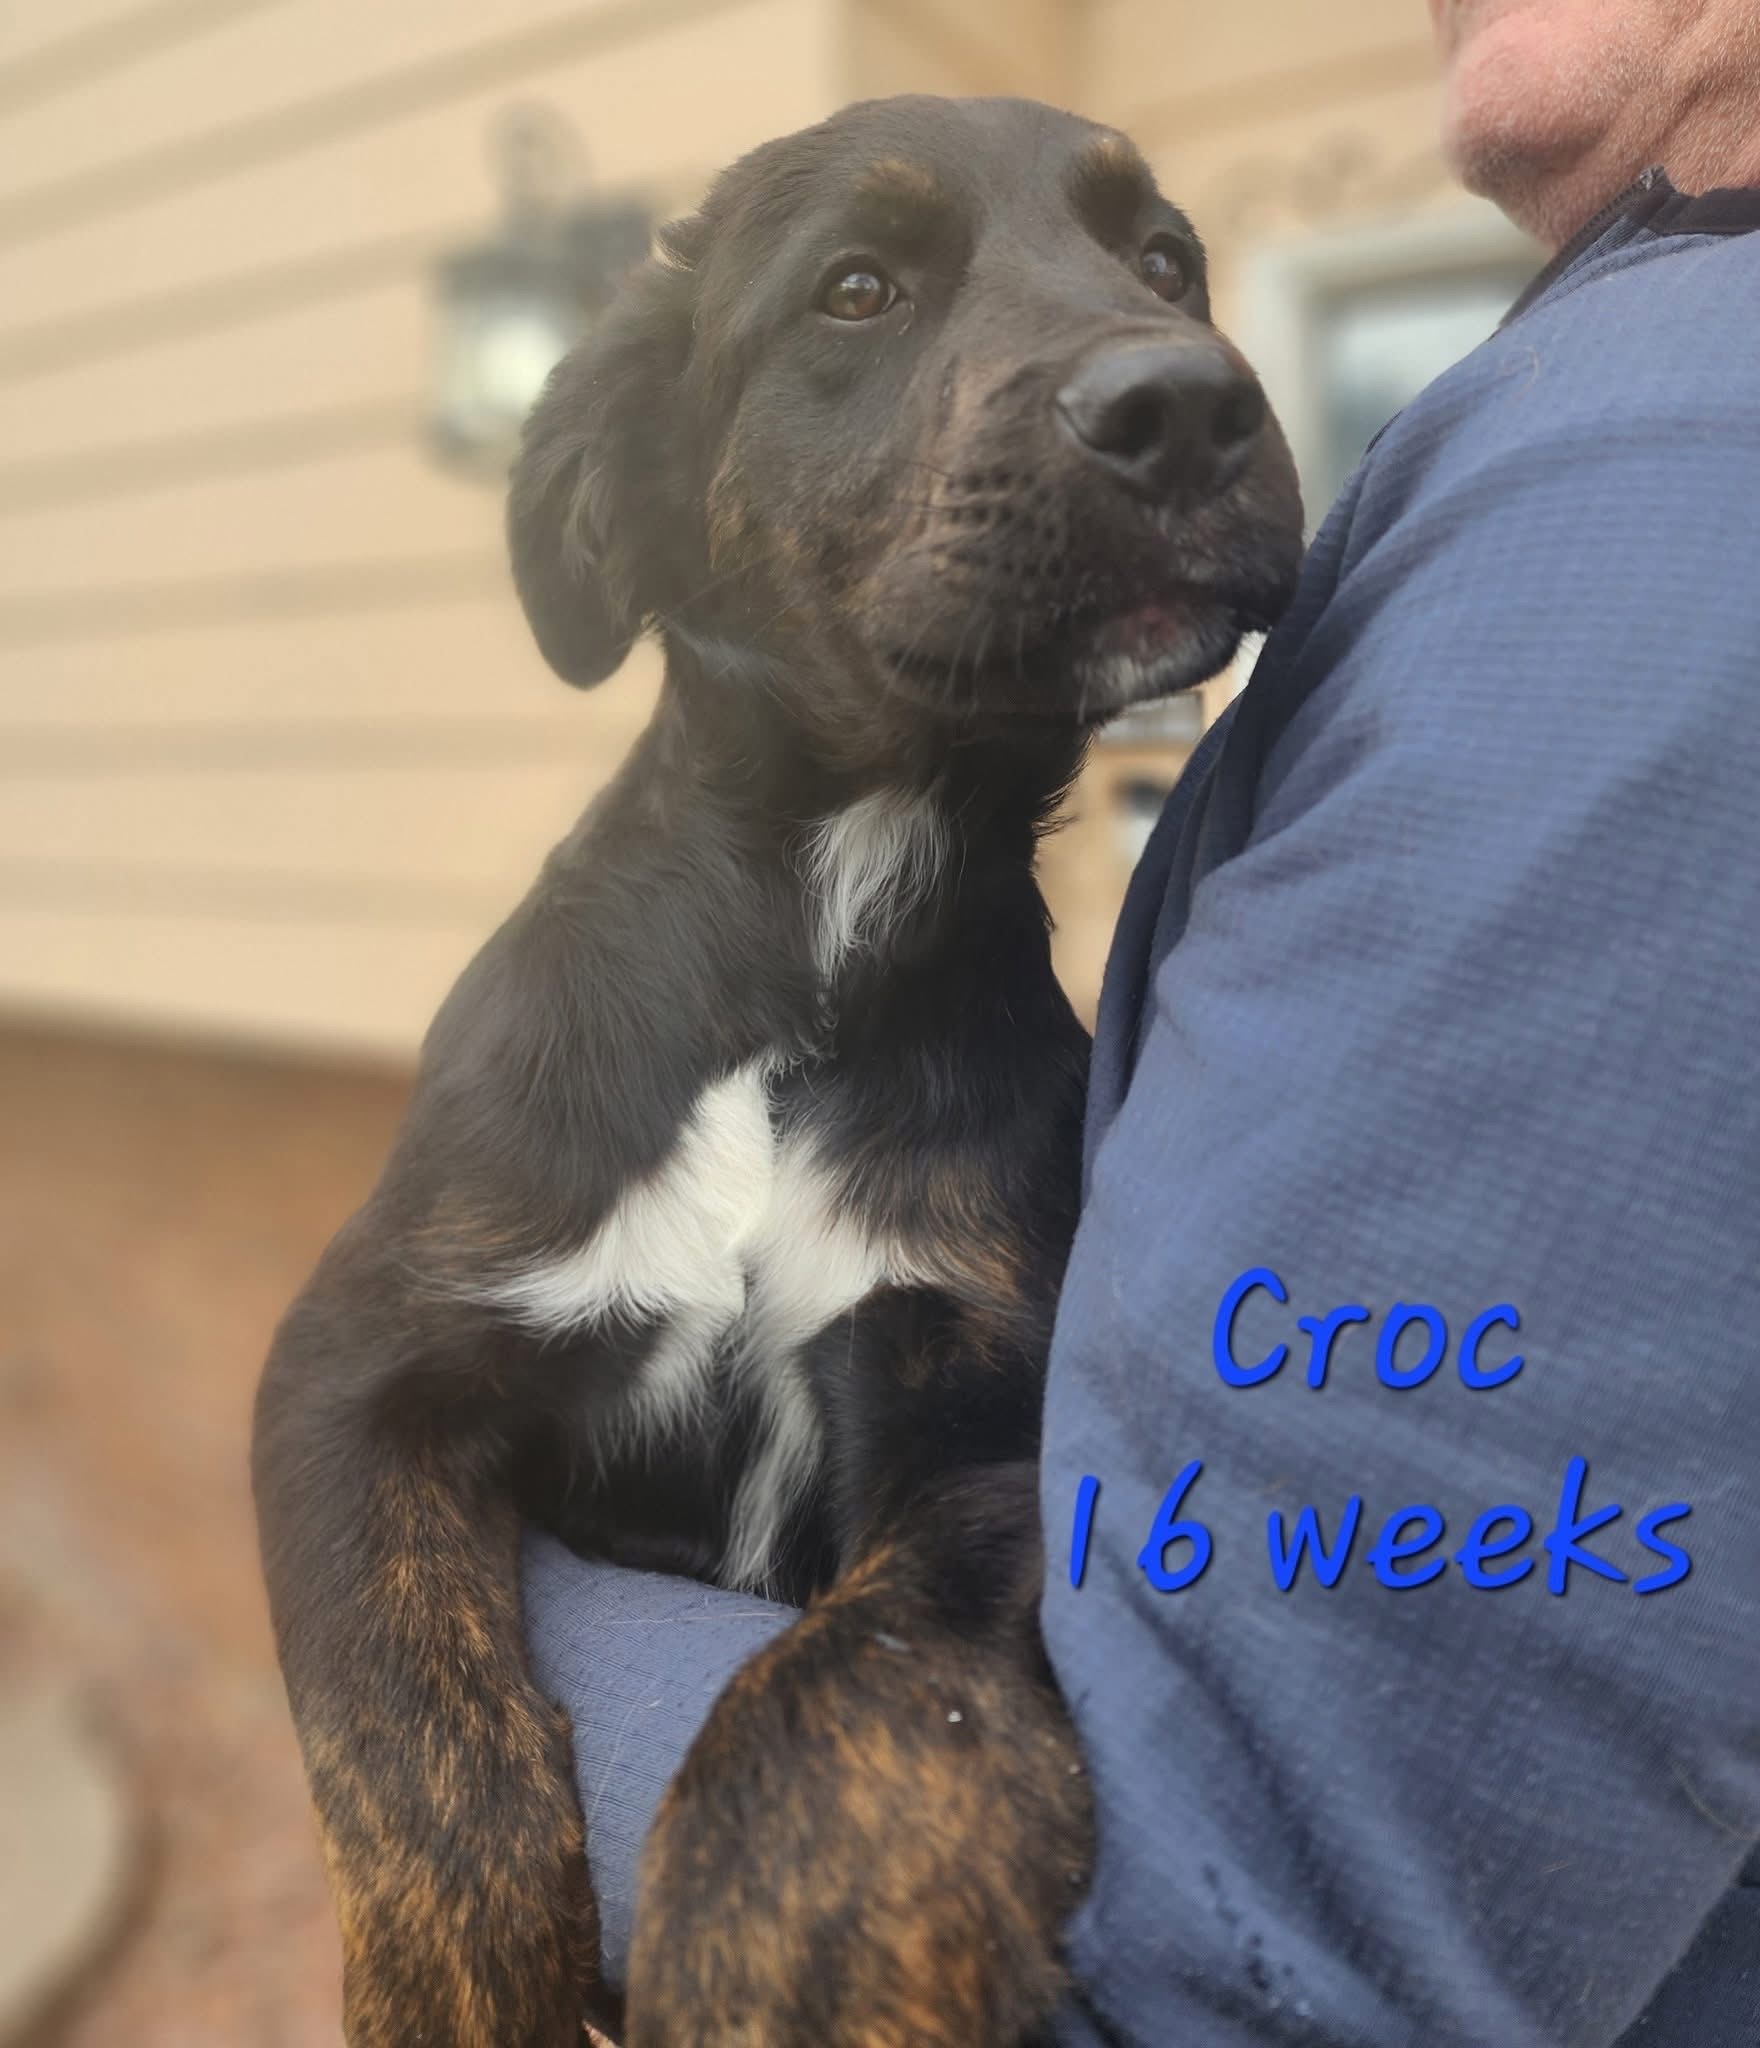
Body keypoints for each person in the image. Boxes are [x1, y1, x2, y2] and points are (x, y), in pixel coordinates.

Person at [524, 1, 1760, 2038]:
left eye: (1156, 269)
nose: (1151, 349)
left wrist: (459, 1617)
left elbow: (1208, 1975)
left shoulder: (1663, 497)